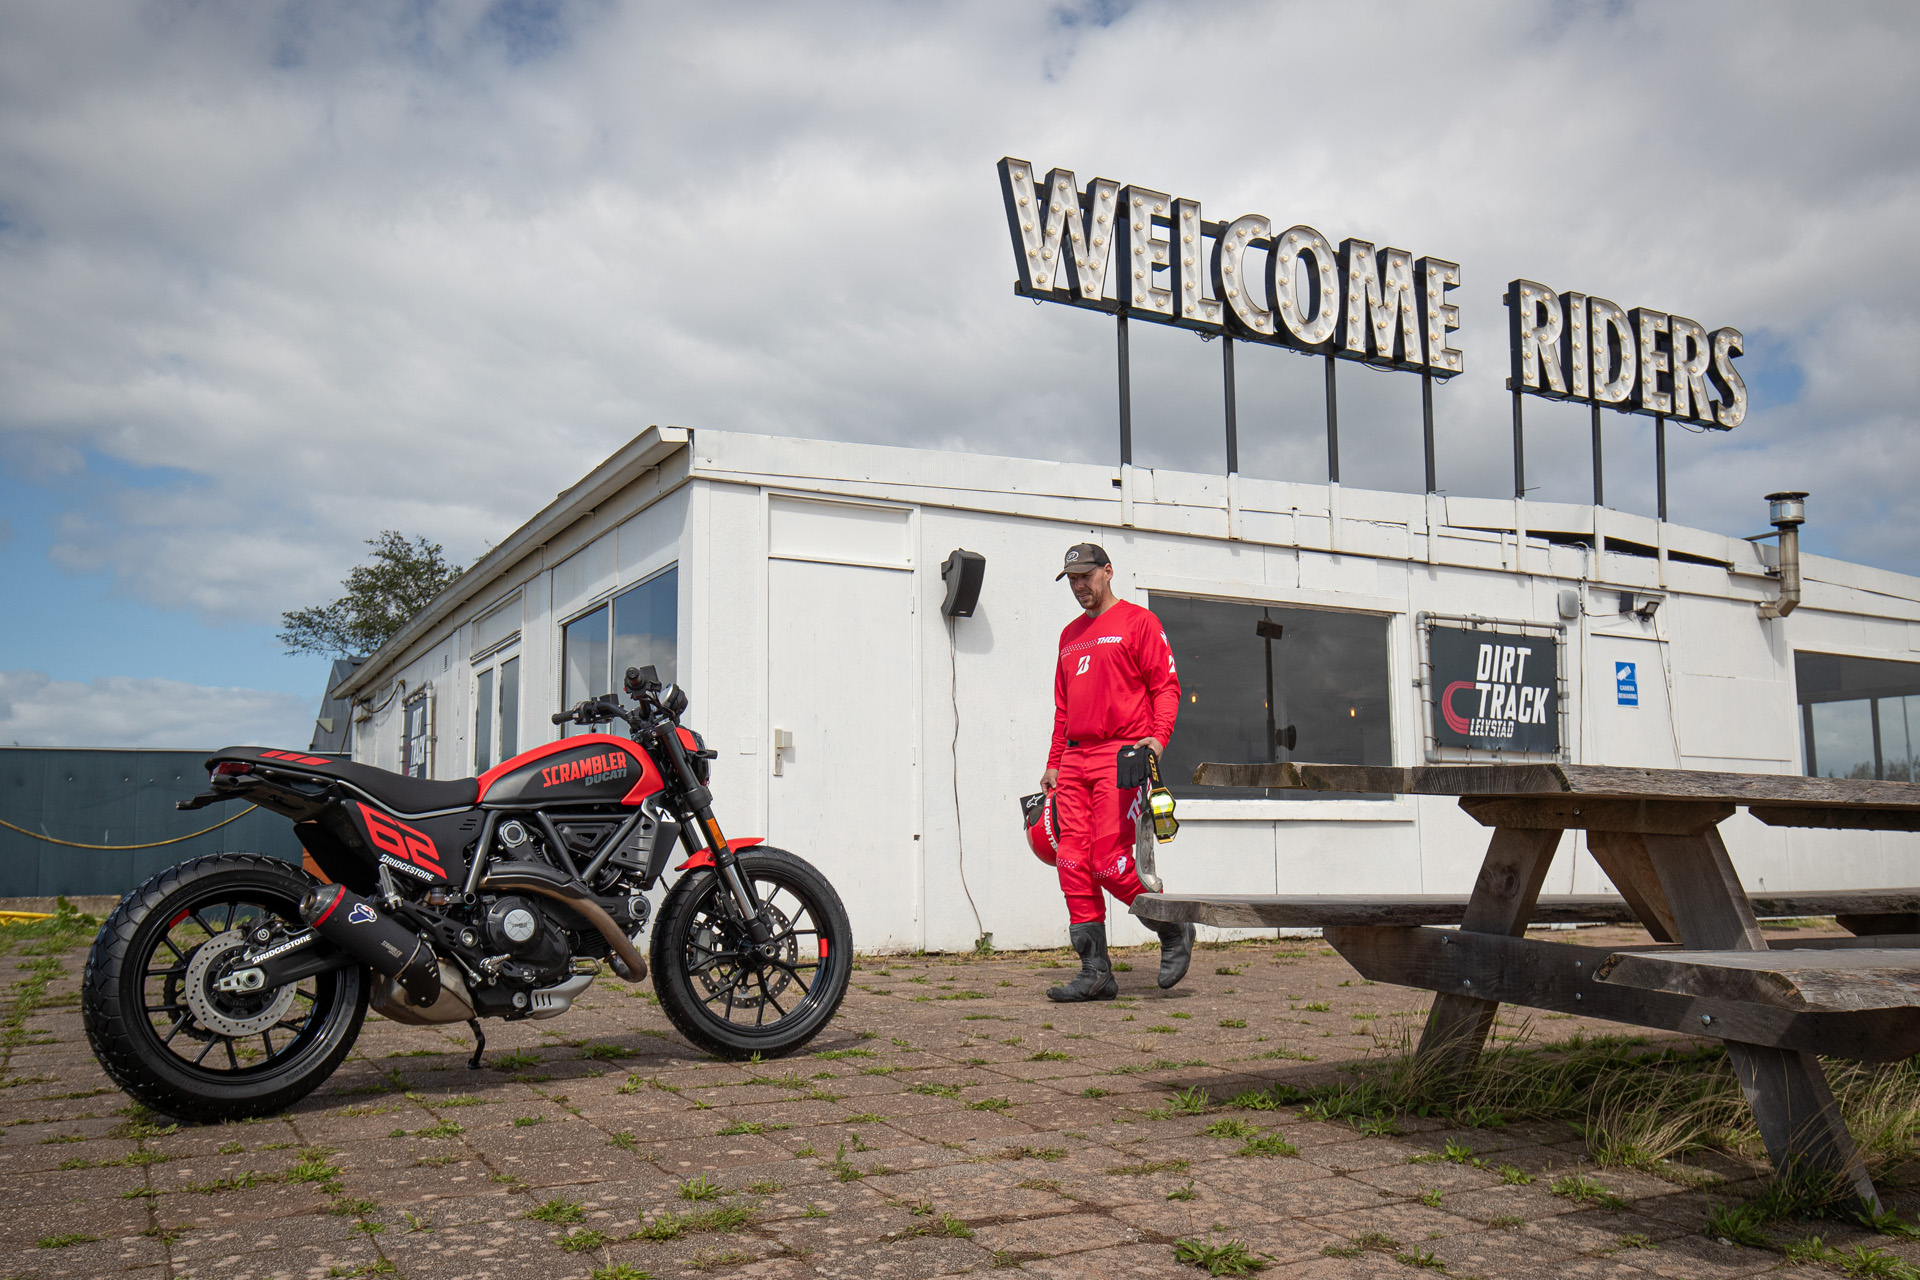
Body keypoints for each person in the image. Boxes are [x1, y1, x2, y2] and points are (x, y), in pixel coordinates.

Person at [1040, 542, 1195, 1002]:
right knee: (1071, 862)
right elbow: (1062, 708)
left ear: (1108, 572)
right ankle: (1095, 971)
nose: (1078, 586)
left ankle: (1172, 927)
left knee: (1109, 860)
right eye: (1071, 579)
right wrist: (1053, 763)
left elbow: (1166, 685)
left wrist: (1158, 740)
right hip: (1074, 760)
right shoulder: (1069, 635)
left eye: (1086, 576)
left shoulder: (1138, 622)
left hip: (1122, 755)